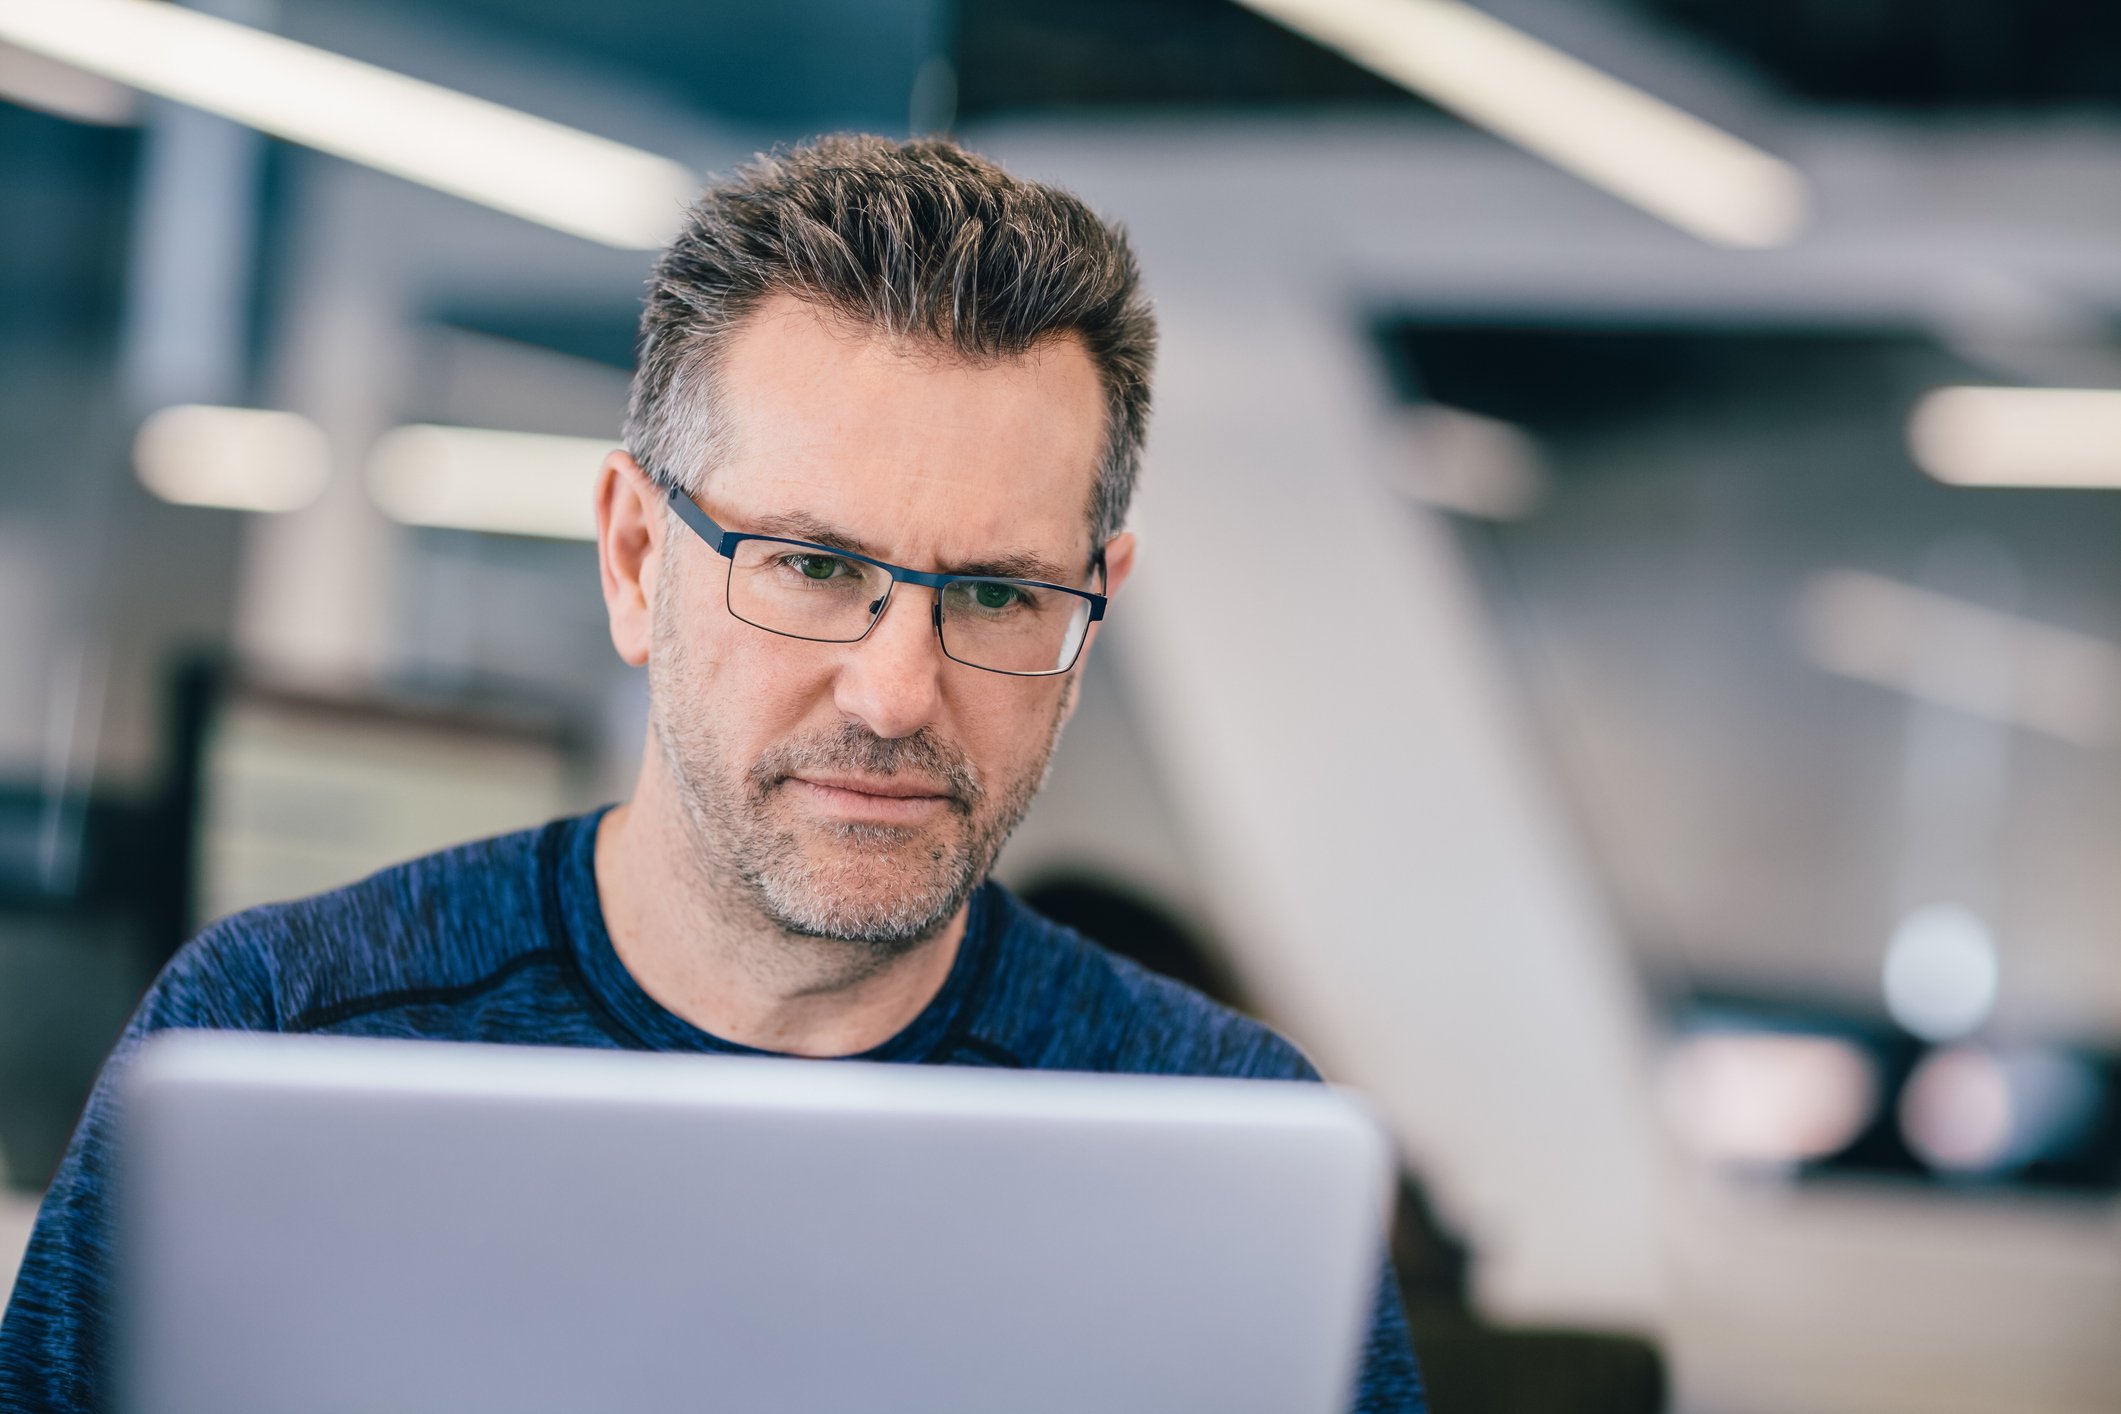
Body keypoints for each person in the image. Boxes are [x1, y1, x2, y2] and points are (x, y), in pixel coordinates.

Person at [0, 134, 1425, 1412]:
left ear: (1090, 600)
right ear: (634, 557)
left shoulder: (1221, 1150)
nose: (894, 691)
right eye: (810, 566)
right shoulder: (285, 1040)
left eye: (996, 594)